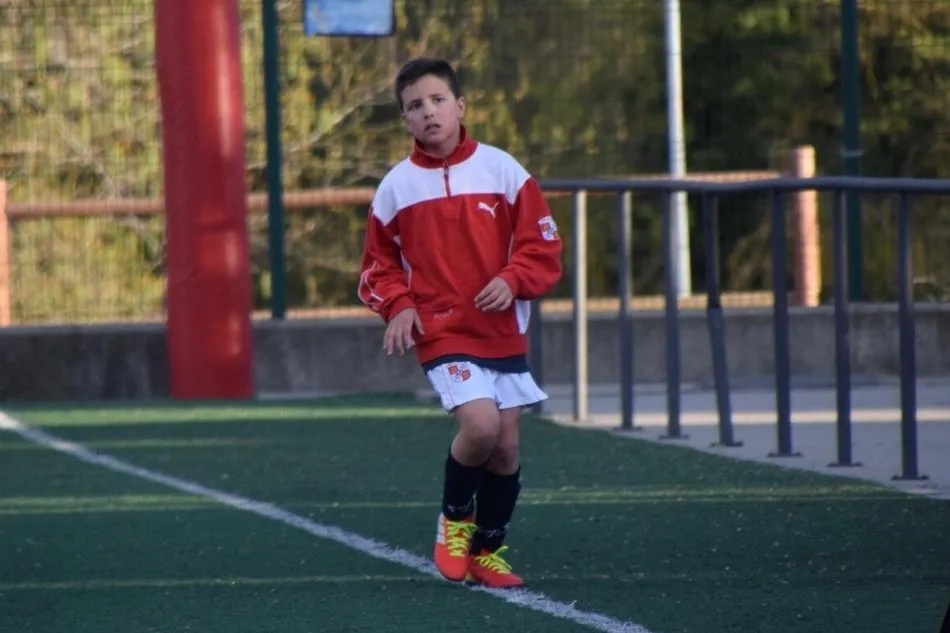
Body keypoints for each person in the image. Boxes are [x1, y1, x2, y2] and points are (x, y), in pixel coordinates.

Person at [357, 57, 563, 589]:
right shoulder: (396, 187)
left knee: (508, 446)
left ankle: (487, 549)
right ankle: (453, 518)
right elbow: (376, 268)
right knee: (481, 426)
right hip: (443, 331)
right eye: (414, 107)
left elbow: (544, 244)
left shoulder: (503, 170)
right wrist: (399, 305)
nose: (427, 113)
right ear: (404, 120)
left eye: (437, 101)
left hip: (503, 330)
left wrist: (515, 277)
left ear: (460, 106)